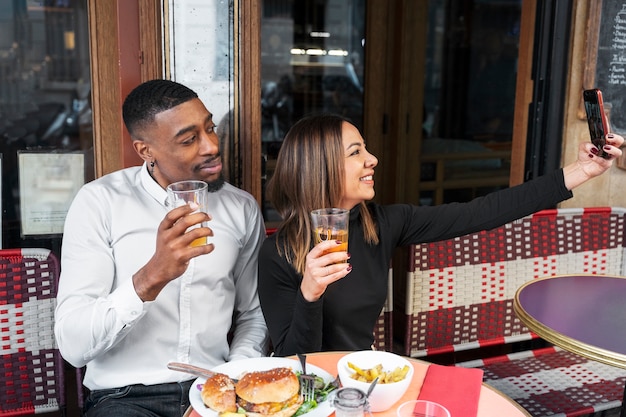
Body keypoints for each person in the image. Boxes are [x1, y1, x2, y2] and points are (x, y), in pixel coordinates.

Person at [258, 113, 624, 357]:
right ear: (320, 168)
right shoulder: (277, 254)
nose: (373, 159)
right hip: (310, 389)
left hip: (365, 378)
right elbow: (294, 362)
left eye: (366, 149)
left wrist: (580, 171)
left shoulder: (383, 224)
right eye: (357, 152)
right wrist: (311, 292)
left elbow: (481, 212)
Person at [54, 79, 269, 417]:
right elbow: (73, 345)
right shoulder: (100, 203)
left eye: (210, 128)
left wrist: (234, 373)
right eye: (189, 139)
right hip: (124, 398)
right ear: (145, 150)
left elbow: (254, 313)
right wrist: (153, 276)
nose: (211, 146)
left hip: (214, 392)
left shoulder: (241, 208)